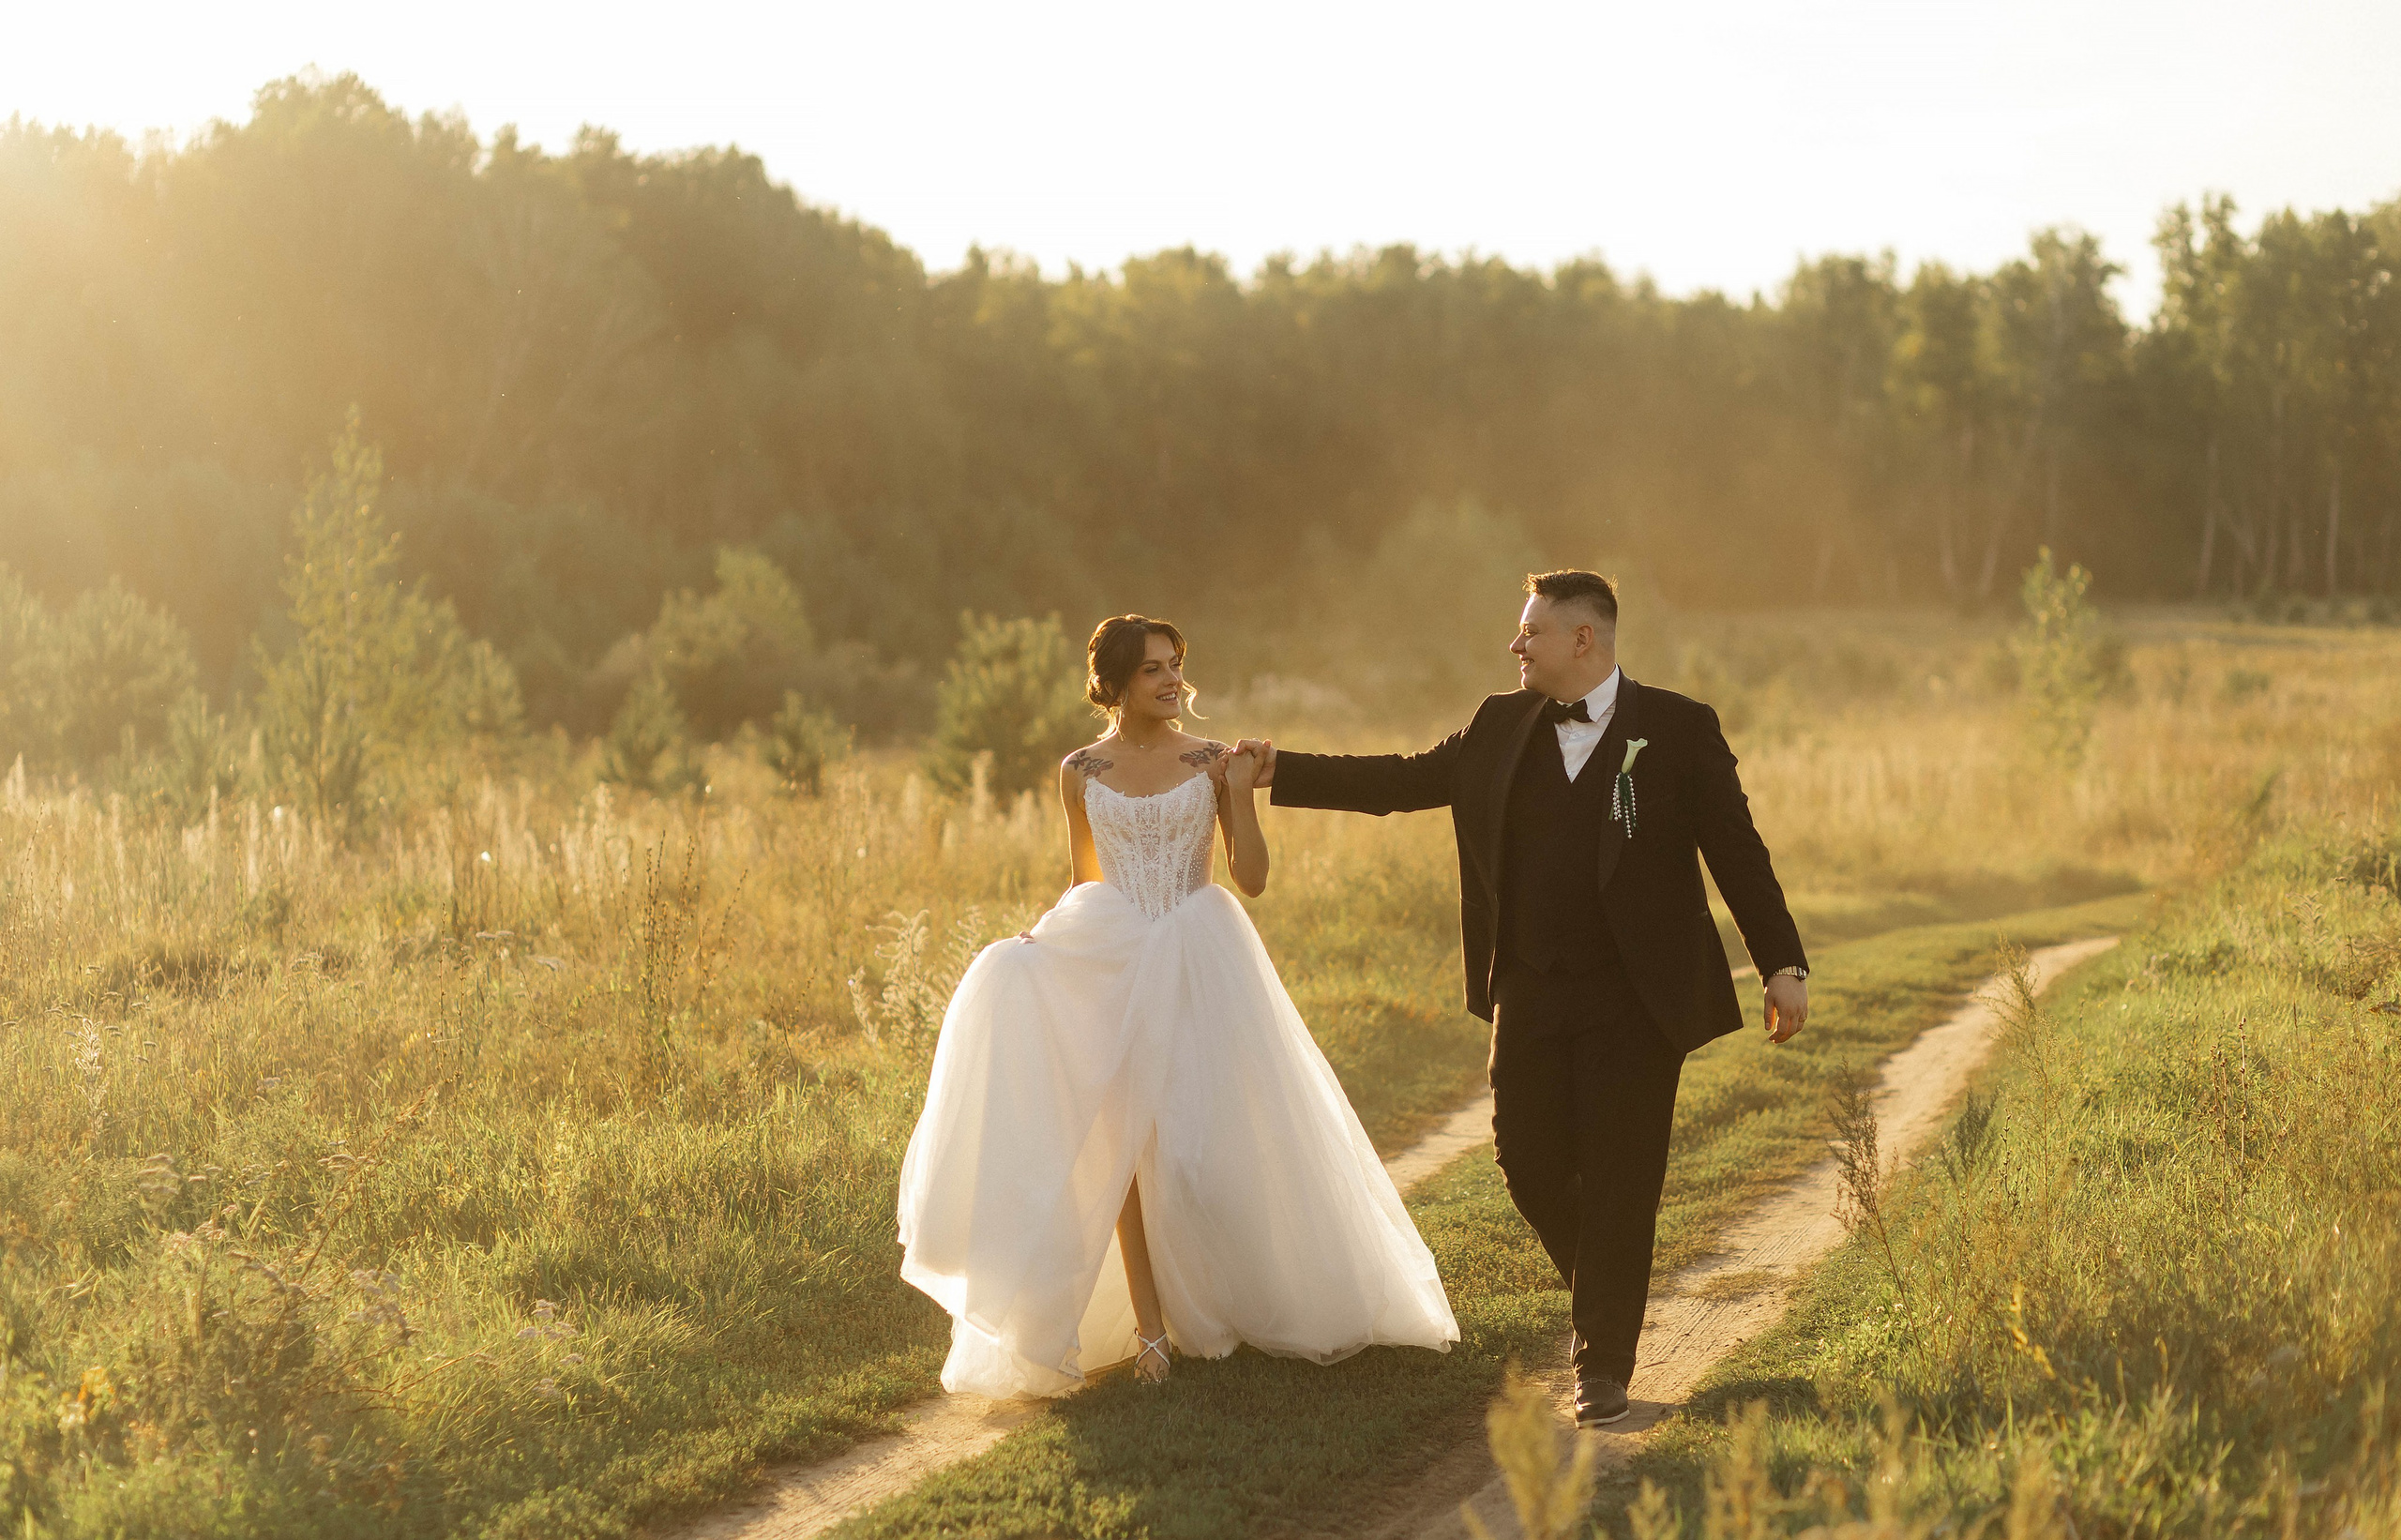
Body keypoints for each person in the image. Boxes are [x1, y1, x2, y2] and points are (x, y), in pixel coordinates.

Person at [1236, 569, 1808, 1427]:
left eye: (1531, 632)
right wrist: (1283, 770)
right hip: (1531, 988)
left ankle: (1602, 1364)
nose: (1516, 646)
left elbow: (1737, 848)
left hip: (1636, 998)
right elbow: (1400, 780)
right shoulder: (1499, 724)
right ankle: (1609, 1292)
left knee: (1622, 1177)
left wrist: (1783, 963)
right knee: (1525, 1160)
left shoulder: (1680, 730)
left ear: (1584, 639)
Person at [895, 614, 1459, 1397]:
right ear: (1117, 683)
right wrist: (1047, 944)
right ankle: (1151, 1328)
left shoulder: (1210, 761)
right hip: (1115, 957)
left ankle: (1242, 1297)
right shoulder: (1080, 770)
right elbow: (1084, 880)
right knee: (1120, 1149)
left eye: (1176, 667)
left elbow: (1251, 877)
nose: (1173, 682)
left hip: (1198, 954)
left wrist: (1239, 796)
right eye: (1155, 670)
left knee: (1204, 1146)